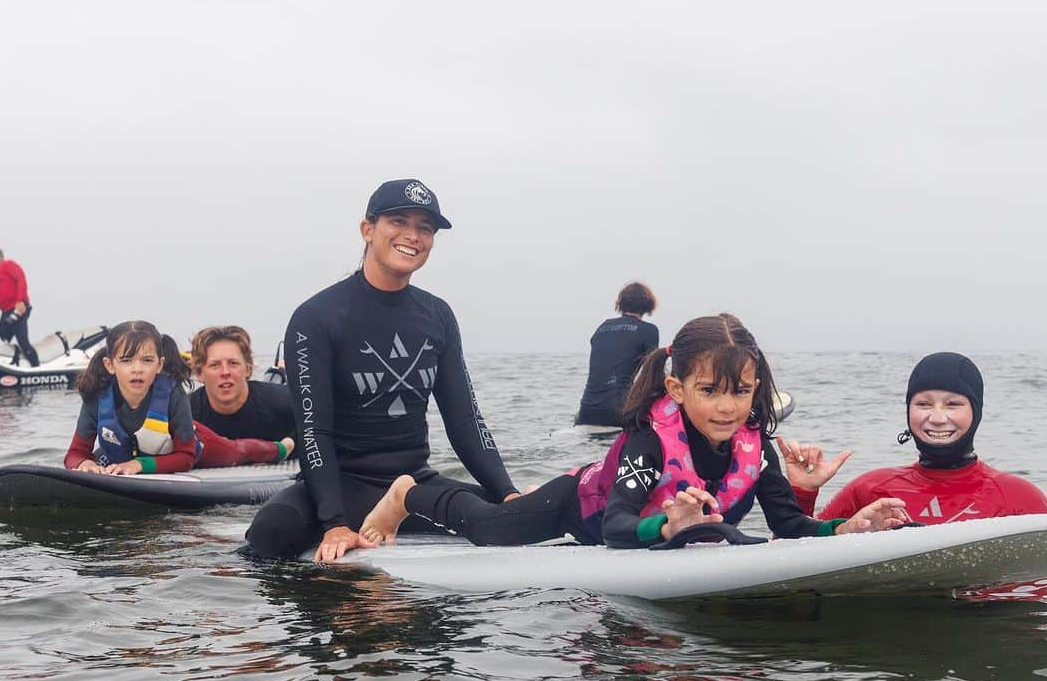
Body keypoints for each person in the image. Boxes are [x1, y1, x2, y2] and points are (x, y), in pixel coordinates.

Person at [359, 313, 908, 550]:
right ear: (676, 390)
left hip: (619, 507)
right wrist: (668, 530)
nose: (728, 408)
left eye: (741, 391)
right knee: (490, 528)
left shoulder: (754, 444)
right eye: (710, 391)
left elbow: (787, 525)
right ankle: (411, 492)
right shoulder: (649, 439)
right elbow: (620, 525)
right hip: (578, 507)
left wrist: (844, 530)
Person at [244, 178, 519, 561]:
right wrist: (334, 523)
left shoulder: (437, 315)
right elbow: (313, 430)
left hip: (410, 489)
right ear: (367, 229)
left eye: (425, 228)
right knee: (270, 533)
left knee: (505, 519)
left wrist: (507, 493)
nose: (413, 236)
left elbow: (465, 420)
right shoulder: (317, 317)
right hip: (338, 487)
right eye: (399, 222)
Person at [778, 352, 1047, 523]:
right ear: (908, 411)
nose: (938, 417)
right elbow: (792, 564)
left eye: (953, 404)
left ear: (976, 413)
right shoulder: (870, 490)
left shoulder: (1020, 498)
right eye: (923, 404)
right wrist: (804, 493)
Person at [64, 320, 294, 475]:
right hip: (126, 453)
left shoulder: (172, 393)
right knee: (99, 458)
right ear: (110, 364)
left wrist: (139, 465)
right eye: (126, 360)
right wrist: (84, 464)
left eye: (146, 360)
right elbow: (74, 453)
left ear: (159, 364)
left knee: (238, 450)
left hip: (196, 448)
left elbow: (186, 458)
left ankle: (280, 448)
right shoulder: (96, 397)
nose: (137, 369)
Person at [188, 325, 294, 444]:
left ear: (248, 369)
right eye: (215, 365)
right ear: (199, 373)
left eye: (233, 363)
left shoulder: (287, 405)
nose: (225, 372)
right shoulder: (184, 414)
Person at [576, 282, 660, 426]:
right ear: (648, 304)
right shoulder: (649, 330)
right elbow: (652, 374)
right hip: (618, 412)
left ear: (621, 303)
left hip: (586, 412)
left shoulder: (603, 327)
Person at [0, 245, 39, 367]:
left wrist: (20, 301)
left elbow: (21, 279)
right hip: (6, 312)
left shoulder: (8, 265)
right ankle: (15, 361)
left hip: (18, 309)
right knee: (2, 336)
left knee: (22, 340)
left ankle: (36, 367)